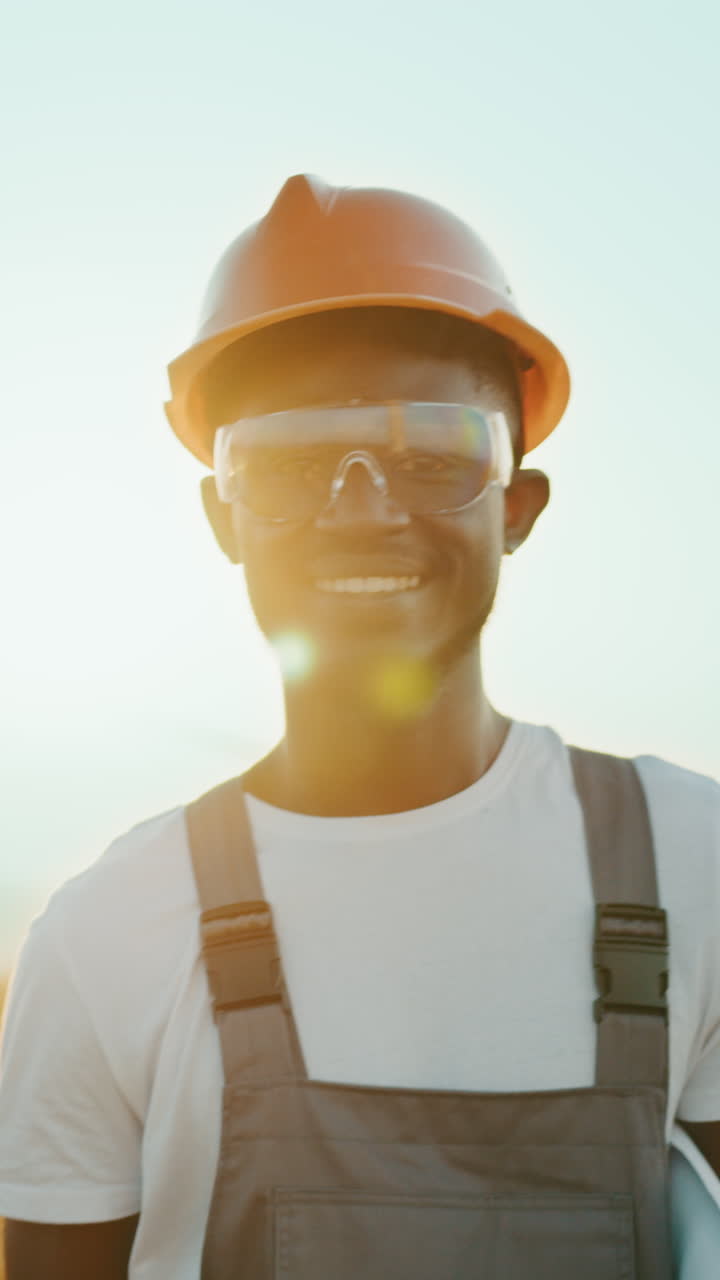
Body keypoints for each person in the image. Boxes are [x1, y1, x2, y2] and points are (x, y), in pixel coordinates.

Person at [1, 173, 719, 1279]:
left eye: (434, 453)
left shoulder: (694, 864)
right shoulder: (107, 933)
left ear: (518, 507)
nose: (363, 505)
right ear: (221, 517)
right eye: (288, 463)